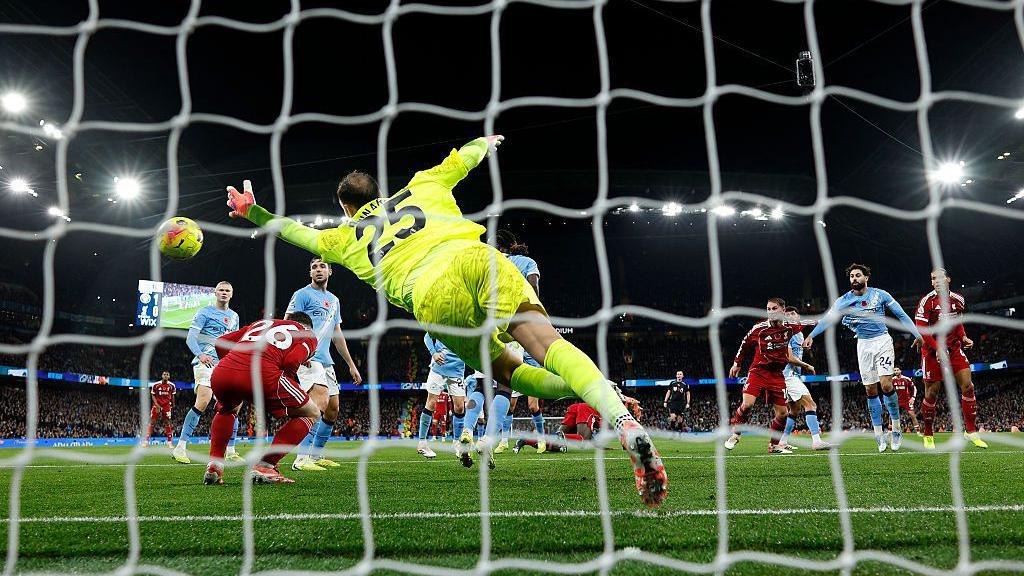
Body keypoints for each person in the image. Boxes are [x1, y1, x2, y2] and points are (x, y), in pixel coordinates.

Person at [225, 135, 666, 507]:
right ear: (379, 191)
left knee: (511, 373)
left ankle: (599, 395)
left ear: (345, 208)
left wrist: (254, 211)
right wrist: (485, 142)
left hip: (433, 297)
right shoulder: (423, 185)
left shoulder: (342, 237)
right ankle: (615, 413)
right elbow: (462, 159)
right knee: (546, 344)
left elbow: (292, 231)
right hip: (477, 258)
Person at [804, 263, 923, 452]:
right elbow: (827, 319)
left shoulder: (880, 295)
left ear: (866, 277)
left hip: (882, 341)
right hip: (863, 345)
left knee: (886, 385)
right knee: (870, 391)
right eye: (851, 276)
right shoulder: (843, 300)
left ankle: (896, 428)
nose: (854, 279)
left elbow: (901, 314)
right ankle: (878, 433)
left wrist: (916, 334)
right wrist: (811, 335)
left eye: (858, 275)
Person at [203, 313, 320, 485]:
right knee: (311, 413)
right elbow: (291, 361)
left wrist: (234, 367)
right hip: (263, 374)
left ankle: (214, 466)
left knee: (228, 408)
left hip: (223, 372)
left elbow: (221, 342)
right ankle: (266, 465)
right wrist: (281, 389)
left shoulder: (261, 323)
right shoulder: (307, 333)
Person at [287, 257, 362, 472]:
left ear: (330, 271)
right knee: (316, 405)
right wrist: (297, 350)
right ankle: (301, 458)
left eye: (322, 266)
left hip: (326, 360)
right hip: (308, 358)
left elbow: (337, 334)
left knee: (332, 410)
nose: (318, 270)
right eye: (313, 267)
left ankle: (316, 456)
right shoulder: (302, 294)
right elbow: (288, 322)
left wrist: (350, 364)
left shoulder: (334, 300)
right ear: (310, 273)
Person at [725, 298, 816, 454]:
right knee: (748, 404)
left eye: (774, 309)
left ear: (782, 310)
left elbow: (813, 322)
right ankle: (735, 434)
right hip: (758, 371)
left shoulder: (791, 327)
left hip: (777, 374)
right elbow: (744, 344)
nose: (771, 312)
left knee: (783, 413)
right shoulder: (759, 328)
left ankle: (774, 445)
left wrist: (813, 334)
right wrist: (736, 363)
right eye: (768, 309)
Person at [914, 268, 987, 450]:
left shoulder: (958, 299)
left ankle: (970, 432)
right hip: (932, 351)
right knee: (932, 393)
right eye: (933, 279)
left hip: (954, 349)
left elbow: (958, 323)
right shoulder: (926, 302)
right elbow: (922, 330)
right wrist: (937, 348)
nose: (936, 281)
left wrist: (963, 337)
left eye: (939, 278)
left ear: (948, 279)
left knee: (968, 386)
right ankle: (928, 434)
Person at [174, 281, 240, 464]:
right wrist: (200, 354)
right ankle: (180, 447)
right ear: (215, 293)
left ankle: (231, 450)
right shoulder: (204, 312)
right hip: (206, 363)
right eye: (221, 290)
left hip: (224, 364)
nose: (224, 293)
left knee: (234, 404)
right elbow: (190, 338)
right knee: (203, 399)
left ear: (232, 294)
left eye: (228, 290)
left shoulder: (234, 317)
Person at [495, 230, 546, 453]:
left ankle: (541, 439)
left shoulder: (494, 261)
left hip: (506, 330)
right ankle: (503, 440)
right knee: (517, 400)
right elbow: (533, 286)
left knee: (506, 390)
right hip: (526, 331)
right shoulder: (528, 262)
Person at [777, 307, 830, 451]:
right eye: (787, 315)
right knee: (810, 405)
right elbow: (789, 358)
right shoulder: (786, 333)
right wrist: (807, 365)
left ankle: (782, 441)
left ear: (798, 316)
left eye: (792, 313)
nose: (790, 316)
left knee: (794, 411)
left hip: (790, 376)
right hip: (788, 376)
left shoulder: (799, 333)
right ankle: (817, 441)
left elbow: (820, 322)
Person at [419, 333, 468, 459]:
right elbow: (427, 337)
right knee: (431, 403)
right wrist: (434, 353)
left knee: (460, 407)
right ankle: (422, 443)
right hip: (439, 368)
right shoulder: (443, 320)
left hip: (457, 370)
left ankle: (456, 443)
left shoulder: (467, 324)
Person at [144, 371, 176, 447]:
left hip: (167, 406)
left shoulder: (172, 385)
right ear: (162, 376)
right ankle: (146, 441)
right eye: (164, 374)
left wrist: (173, 405)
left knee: (167, 422)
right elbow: (153, 395)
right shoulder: (156, 385)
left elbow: (173, 395)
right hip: (157, 405)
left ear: (169, 377)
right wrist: (157, 405)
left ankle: (169, 442)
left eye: (167, 375)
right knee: (152, 422)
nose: (165, 376)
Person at [891, 365, 920, 436]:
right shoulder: (892, 380)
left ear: (900, 371)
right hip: (896, 401)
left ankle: (918, 431)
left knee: (912, 414)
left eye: (897, 370)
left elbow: (914, 388)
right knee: (892, 415)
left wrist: (913, 398)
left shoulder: (907, 379)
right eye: (895, 370)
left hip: (906, 401)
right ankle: (890, 431)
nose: (896, 371)